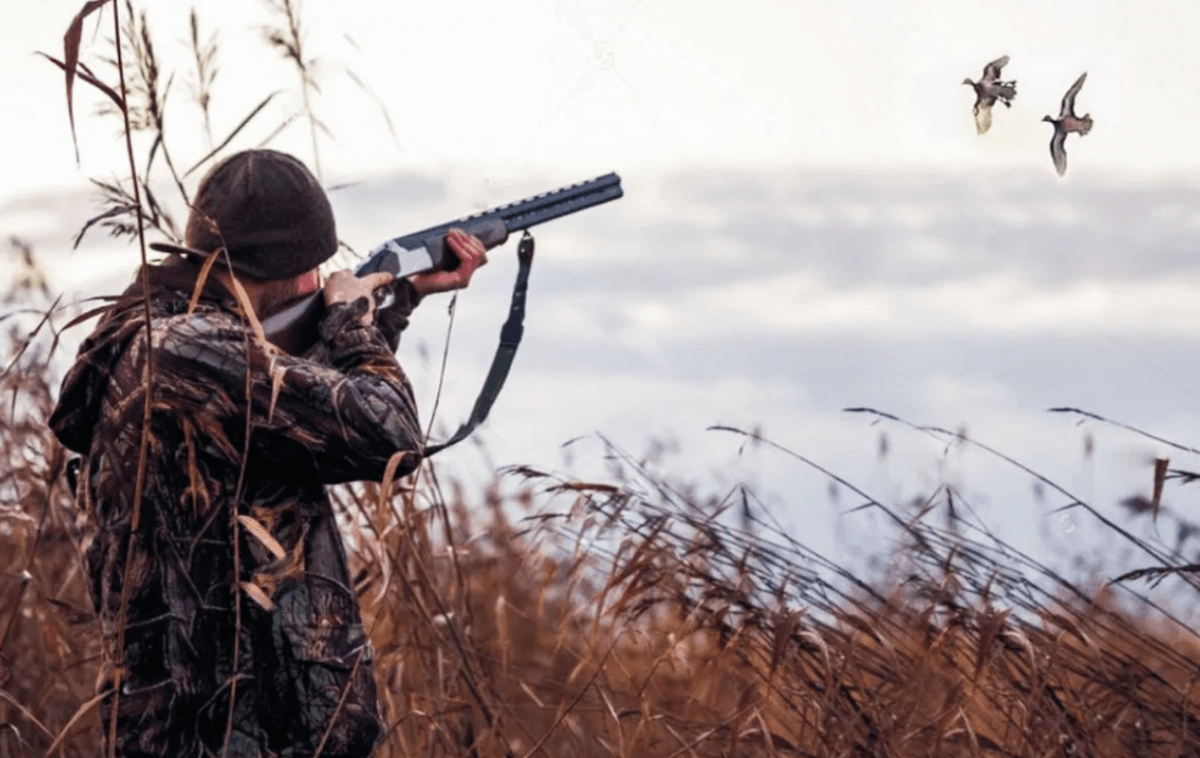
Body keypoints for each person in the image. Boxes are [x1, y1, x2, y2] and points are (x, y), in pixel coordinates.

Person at [48, 149, 487, 757]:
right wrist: (351, 319)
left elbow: (313, 412)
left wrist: (399, 301)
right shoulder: (190, 349)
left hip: (223, 726)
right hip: (232, 732)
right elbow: (391, 435)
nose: (318, 279)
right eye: (313, 267)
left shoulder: (171, 335)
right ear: (289, 270)